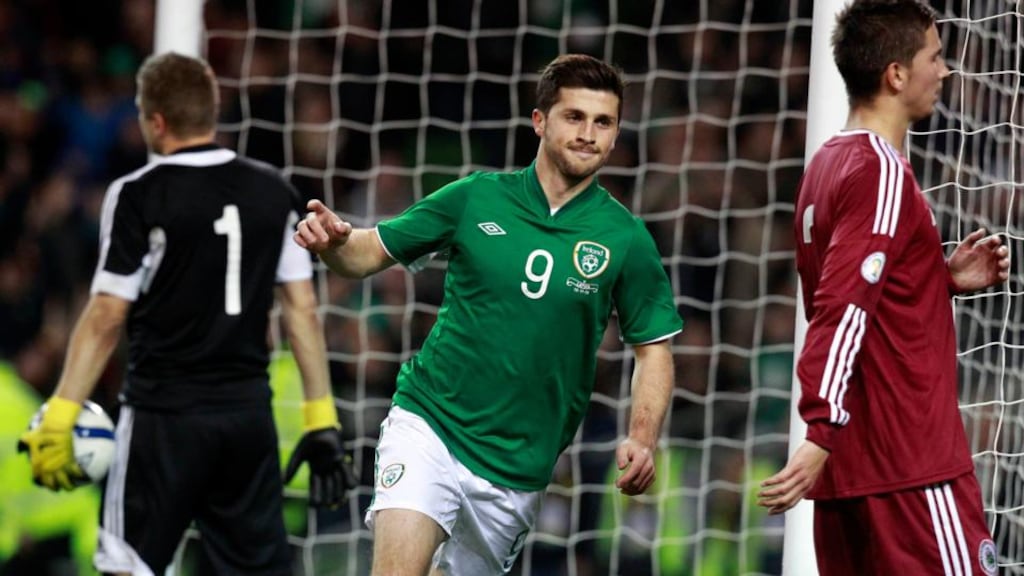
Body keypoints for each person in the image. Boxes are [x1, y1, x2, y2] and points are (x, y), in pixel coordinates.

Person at [295, 53, 683, 575]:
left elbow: (653, 350)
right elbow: (367, 251)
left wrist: (641, 436)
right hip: (431, 422)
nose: (589, 134)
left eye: (603, 122)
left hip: (517, 470)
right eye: (575, 117)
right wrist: (334, 241)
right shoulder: (477, 198)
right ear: (540, 121)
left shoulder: (626, 238)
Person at [16, 52, 356, 576]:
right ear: (212, 110)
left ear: (154, 120)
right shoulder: (274, 190)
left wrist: (62, 411)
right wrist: (321, 418)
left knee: (128, 565)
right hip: (245, 418)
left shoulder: (137, 193)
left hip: (163, 418)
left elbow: (107, 313)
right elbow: (302, 310)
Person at [756, 1, 1010, 575]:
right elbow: (842, 309)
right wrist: (819, 429)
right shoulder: (882, 172)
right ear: (896, 74)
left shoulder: (825, 165)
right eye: (935, 57)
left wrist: (935, 280)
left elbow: (861, 292)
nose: (944, 71)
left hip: (852, 479)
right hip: (910, 472)